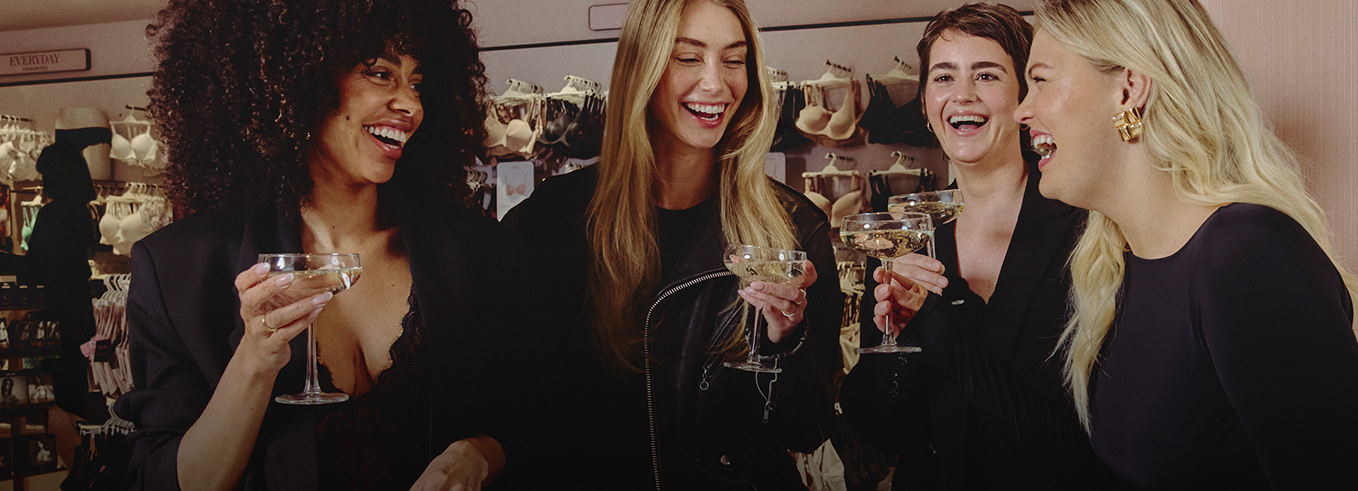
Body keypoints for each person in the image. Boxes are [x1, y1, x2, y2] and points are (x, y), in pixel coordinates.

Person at [877, 0, 1358, 489]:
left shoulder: (1245, 256)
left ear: (1129, 90)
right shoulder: (1114, 264)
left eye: (1039, 81)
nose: (1022, 110)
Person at [113, 0, 531, 490]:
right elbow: (168, 480)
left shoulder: (477, 249)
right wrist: (255, 360)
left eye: (416, 83)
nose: (411, 106)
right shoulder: (177, 269)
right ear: (298, 79)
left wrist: (478, 454)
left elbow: (532, 418)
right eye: (381, 74)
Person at [504, 0, 841, 488]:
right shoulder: (551, 221)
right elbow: (515, 411)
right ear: (642, 69)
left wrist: (785, 341)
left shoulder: (794, 229)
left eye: (734, 59)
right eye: (688, 58)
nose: (716, 83)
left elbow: (806, 430)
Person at [839, 4, 1099, 489]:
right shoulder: (903, 241)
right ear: (924, 103)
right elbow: (880, 431)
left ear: (1024, 97)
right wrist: (898, 348)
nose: (962, 95)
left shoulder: (1086, 231)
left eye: (986, 75)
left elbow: (1091, 447)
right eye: (943, 77)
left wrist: (945, 334)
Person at [0, 142, 102, 420]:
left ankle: (65, 443)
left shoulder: (53, 215)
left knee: (56, 396)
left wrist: (7, 261)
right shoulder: (83, 212)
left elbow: (39, 268)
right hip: (77, 312)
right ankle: (77, 443)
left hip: (57, 316)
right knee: (73, 390)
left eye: (47, 175)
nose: (44, 182)